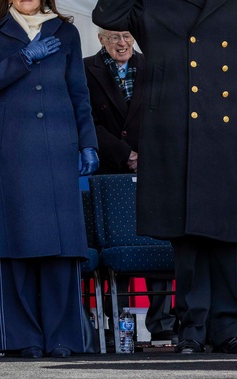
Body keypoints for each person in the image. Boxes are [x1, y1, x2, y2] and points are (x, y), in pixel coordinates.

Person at [93, 0, 237, 355]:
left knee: (223, 229)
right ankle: (191, 328)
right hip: (172, 124)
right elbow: (107, 11)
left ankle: (229, 327)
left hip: (223, 125)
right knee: (187, 234)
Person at [0, 0, 98, 359]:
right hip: (15, 150)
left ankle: (63, 338)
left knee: (61, 249)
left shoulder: (67, 31)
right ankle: (24, 339)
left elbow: (79, 91)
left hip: (60, 147)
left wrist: (87, 142)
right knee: (17, 246)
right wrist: (24, 57)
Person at [84, 29, 176, 342]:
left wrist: (144, 154)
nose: (122, 43)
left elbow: (166, 113)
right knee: (114, 243)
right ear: (100, 39)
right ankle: (118, 324)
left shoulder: (153, 65)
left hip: (152, 167)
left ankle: (162, 323)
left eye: (126, 36)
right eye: (113, 37)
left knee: (157, 238)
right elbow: (86, 120)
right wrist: (125, 153)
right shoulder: (85, 69)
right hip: (108, 168)